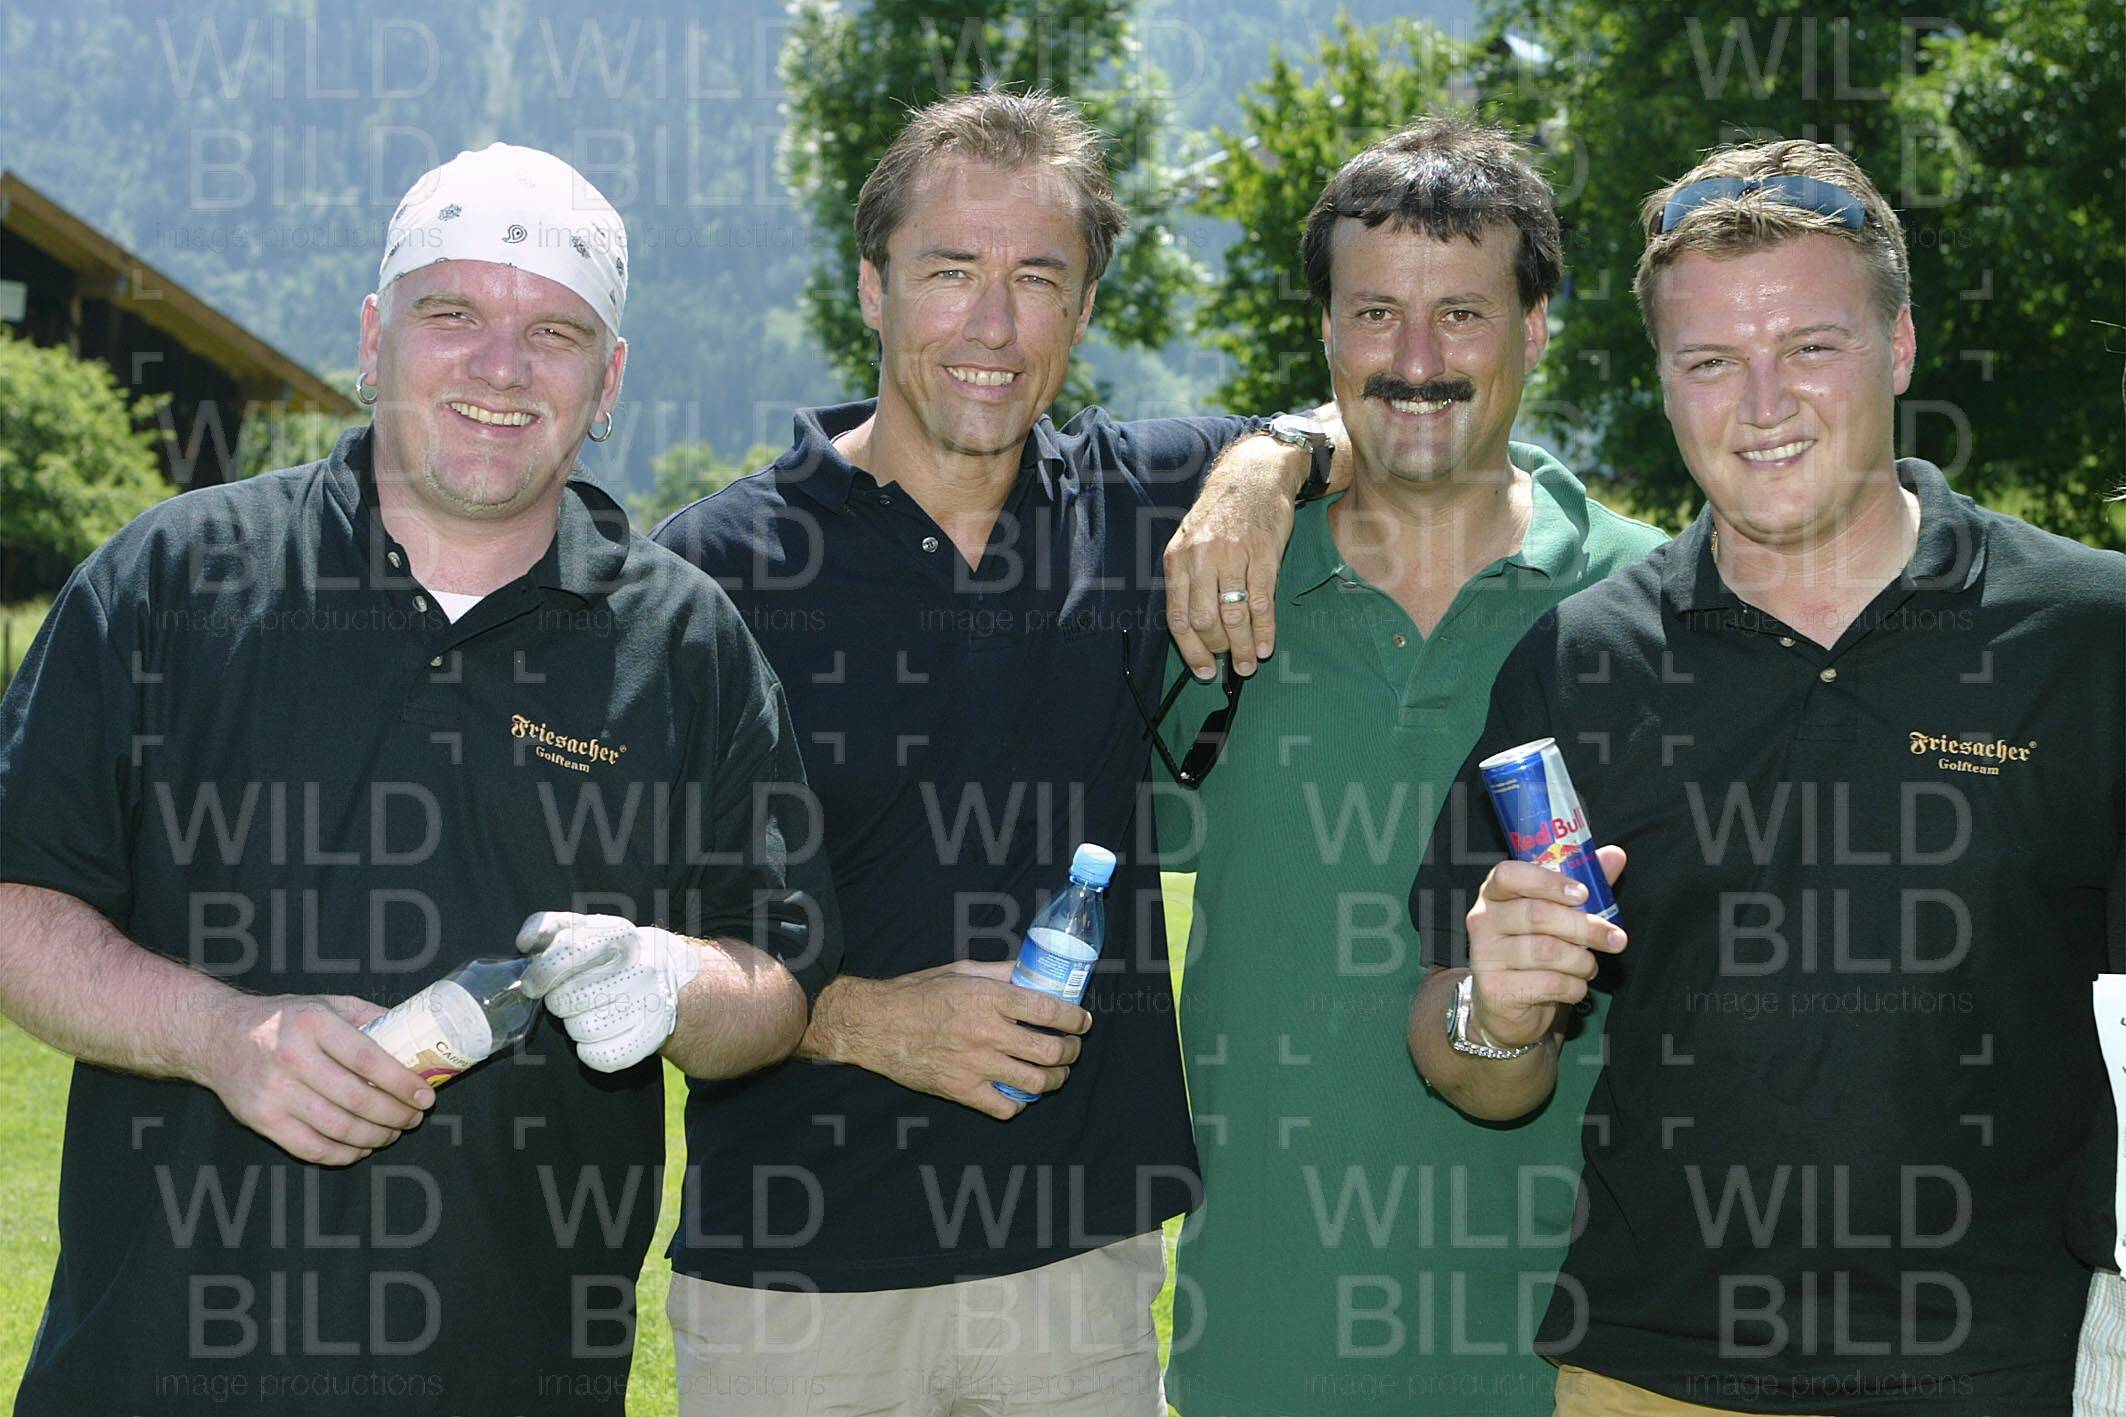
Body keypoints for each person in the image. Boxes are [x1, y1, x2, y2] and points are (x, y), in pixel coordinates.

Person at [0, 142, 837, 1416]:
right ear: (372, 339)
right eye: (452, 314)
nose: (501, 367)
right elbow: (18, 901)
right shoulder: (172, 579)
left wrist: (673, 981)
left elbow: (778, 979)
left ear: (607, 382)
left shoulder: (684, 643)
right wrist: (217, 1034)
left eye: (553, 333)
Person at [1410, 138, 2126, 1415]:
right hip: (1653, 1371)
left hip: (2006, 1369)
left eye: (1808, 346)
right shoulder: (1580, 661)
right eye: (1708, 362)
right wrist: (1497, 1014)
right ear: (1663, 383)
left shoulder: (2085, 636)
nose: (1761, 403)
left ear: (1895, 347)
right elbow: (1463, 1057)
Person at [652, 91, 1326, 1416]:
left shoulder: (1137, 498)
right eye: (950, 272)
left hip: (1073, 1278)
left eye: (1038, 279)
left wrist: (1266, 463)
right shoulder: (711, 570)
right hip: (796, 1283)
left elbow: (1371, 418)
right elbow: (629, 940)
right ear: (872, 286)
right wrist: (859, 1019)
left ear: (1083, 310)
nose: (993, 326)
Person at [1150, 116, 1664, 1417]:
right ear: (1327, 335)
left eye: (1461, 315)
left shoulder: (1654, 606)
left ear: (1533, 329)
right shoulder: (1213, 590)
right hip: (1263, 1349)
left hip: (1583, 1363)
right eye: (1375, 313)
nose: (1417, 360)